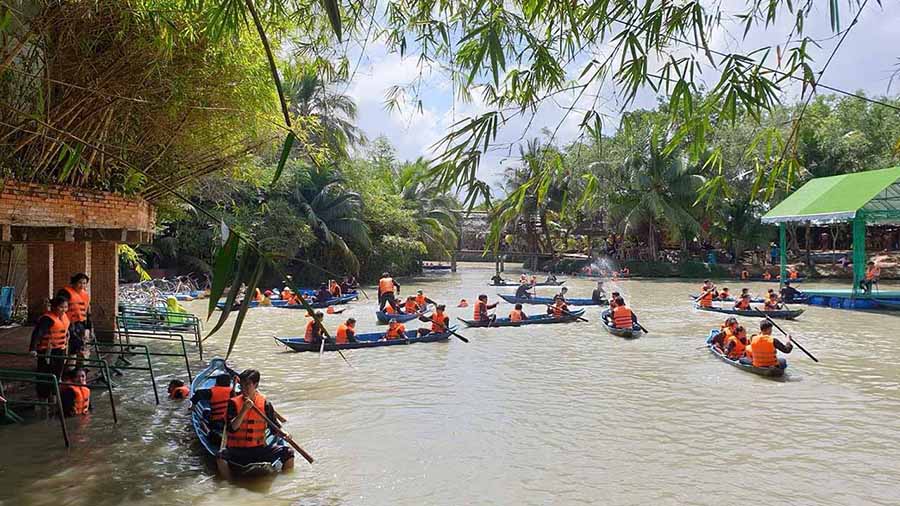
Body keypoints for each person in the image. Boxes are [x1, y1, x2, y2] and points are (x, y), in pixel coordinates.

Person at [218, 369, 294, 479]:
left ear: (256, 385)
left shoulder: (265, 404)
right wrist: (243, 410)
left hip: (259, 449)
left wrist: (285, 434)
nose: (244, 389)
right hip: (238, 450)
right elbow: (231, 429)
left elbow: (275, 429)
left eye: (247, 385)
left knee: (288, 452)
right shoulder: (233, 403)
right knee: (220, 456)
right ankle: (228, 483)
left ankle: (286, 481)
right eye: (242, 385)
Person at [29, 296, 70, 400]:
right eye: (61, 307)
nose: (64, 310)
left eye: (66, 307)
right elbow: (37, 334)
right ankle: (43, 400)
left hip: (60, 350)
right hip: (48, 352)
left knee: (57, 374)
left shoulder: (64, 317)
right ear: (54, 307)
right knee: (45, 375)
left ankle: (54, 399)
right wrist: (33, 349)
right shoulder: (47, 319)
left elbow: (67, 330)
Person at [58, 273, 91, 358]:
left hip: (81, 324)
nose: (82, 285)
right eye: (80, 283)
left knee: (81, 345)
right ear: (74, 282)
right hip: (68, 323)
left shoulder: (86, 295)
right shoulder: (65, 292)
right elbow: (59, 306)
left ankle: (78, 367)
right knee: (72, 345)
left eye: (84, 283)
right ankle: (68, 367)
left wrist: (88, 328)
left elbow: (87, 312)